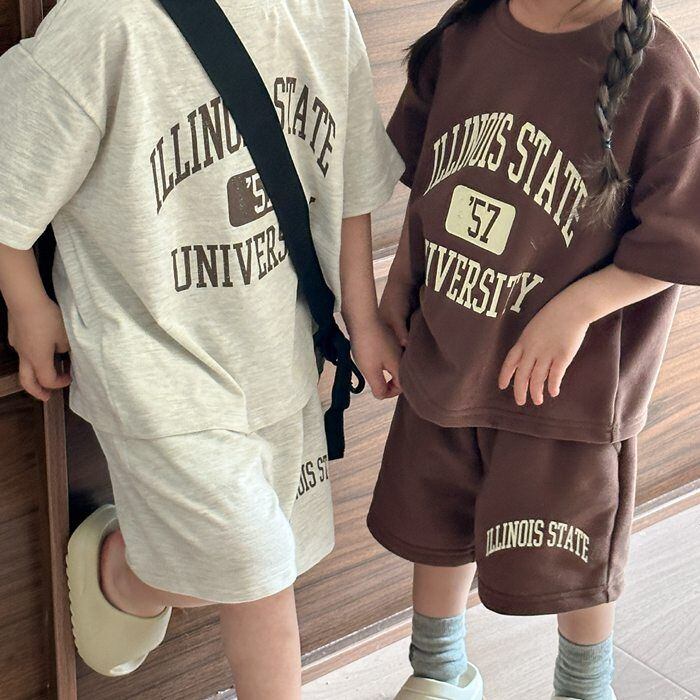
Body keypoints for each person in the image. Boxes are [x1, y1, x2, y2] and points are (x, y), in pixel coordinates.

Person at [0, 0, 403, 697]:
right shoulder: (105, 25)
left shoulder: (318, 12)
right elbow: (10, 167)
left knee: (248, 560)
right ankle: (139, 566)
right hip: (154, 362)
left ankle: (127, 572)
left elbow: (351, 186)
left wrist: (363, 321)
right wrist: (26, 302)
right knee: (260, 568)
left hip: (277, 350)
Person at [367, 1, 700, 699]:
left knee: (572, 558)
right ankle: (438, 671)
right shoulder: (465, 35)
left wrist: (577, 308)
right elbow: (429, 184)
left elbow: (684, 234)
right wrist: (398, 284)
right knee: (438, 525)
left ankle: (584, 686)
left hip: (563, 389)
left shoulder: (658, 73)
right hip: (449, 348)